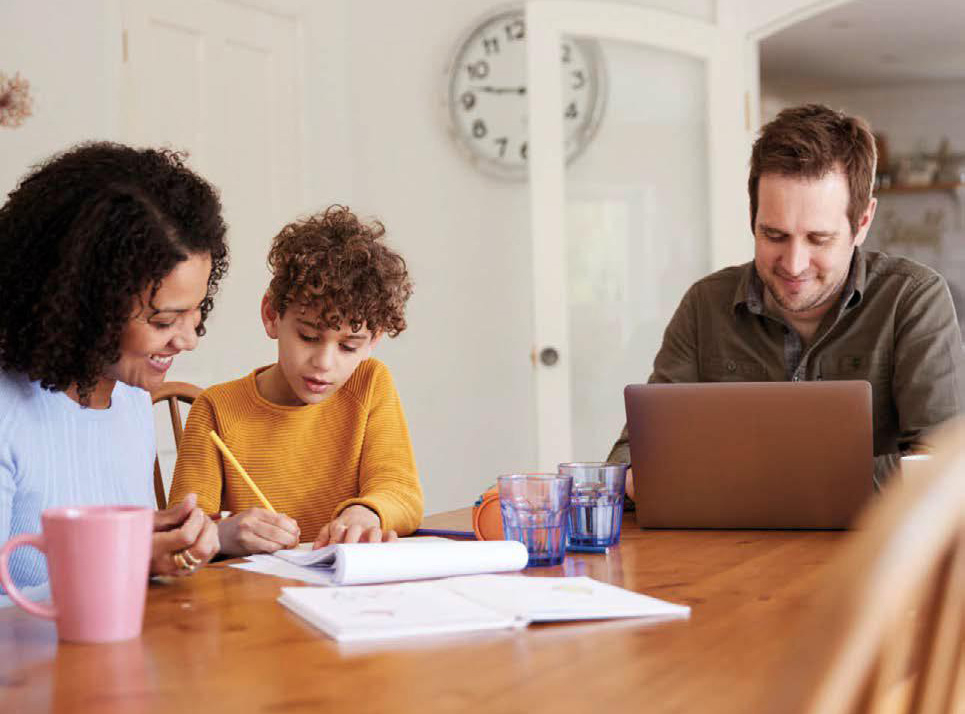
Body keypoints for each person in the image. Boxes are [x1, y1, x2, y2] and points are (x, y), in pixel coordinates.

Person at [608, 104, 965, 490]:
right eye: (774, 236)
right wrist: (633, 476)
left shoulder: (913, 299)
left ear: (862, 223)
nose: (794, 265)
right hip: (731, 546)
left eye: (819, 239)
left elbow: (944, 467)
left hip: (873, 546)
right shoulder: (704, 305)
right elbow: (632, 457)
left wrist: (766, 481)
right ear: (752, 218)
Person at [0, 142, 230, 601]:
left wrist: (147, 540)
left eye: (196, 310)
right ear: (87, 307)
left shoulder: (128, 400)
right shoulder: (9, 414)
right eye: (163, 321)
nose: (188, 339)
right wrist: (124, 563)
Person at [169, 205, 423, 555]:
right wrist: (226, 533)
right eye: (308, 337)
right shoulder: (217, 409)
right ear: (272, 316)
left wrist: (367, 511)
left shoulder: (371, 383)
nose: (324, 363)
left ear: (373, 340)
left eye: (349, 346)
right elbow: (182, 529)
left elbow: (401, 492)